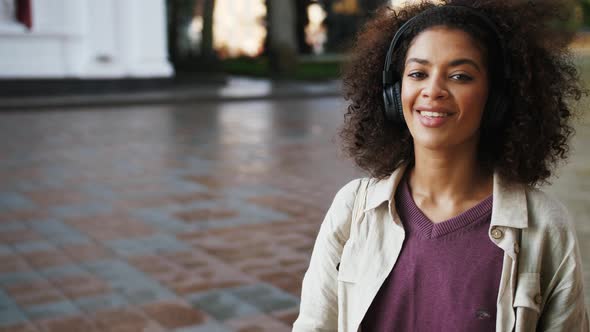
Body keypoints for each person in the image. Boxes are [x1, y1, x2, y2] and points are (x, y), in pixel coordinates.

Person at [292, 1, 589, 331]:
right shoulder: (352, 211)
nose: (432, 91)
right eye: (418, 73)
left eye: (460, 76)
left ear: (497, 99)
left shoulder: (545, 226)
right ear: (394, 93)